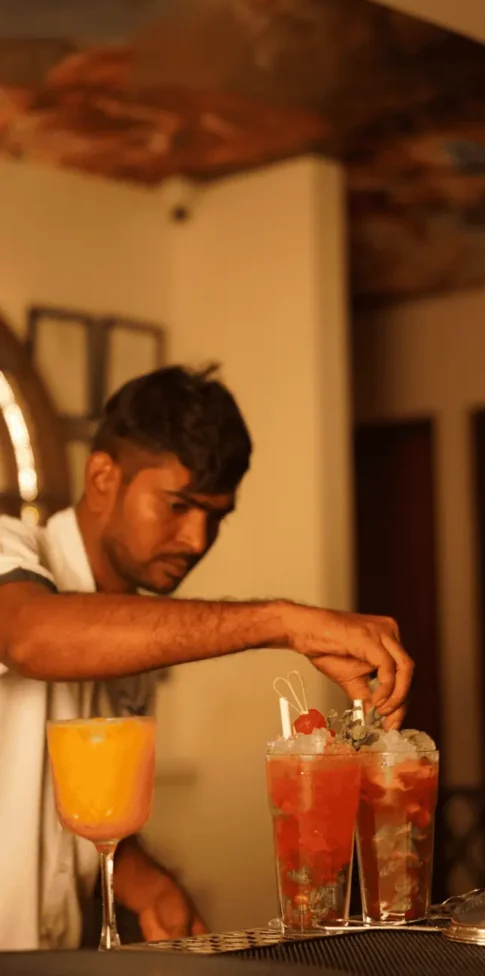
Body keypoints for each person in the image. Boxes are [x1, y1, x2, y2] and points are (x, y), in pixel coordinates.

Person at [0, 365, 413, 951]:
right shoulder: (7, 546)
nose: (197, 540)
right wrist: (284, 624)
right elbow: (28, 638)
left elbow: (81, 807)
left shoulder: (136, 639)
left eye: (215, 516)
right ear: (101, 477)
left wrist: (150, 884)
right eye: (178, 506)